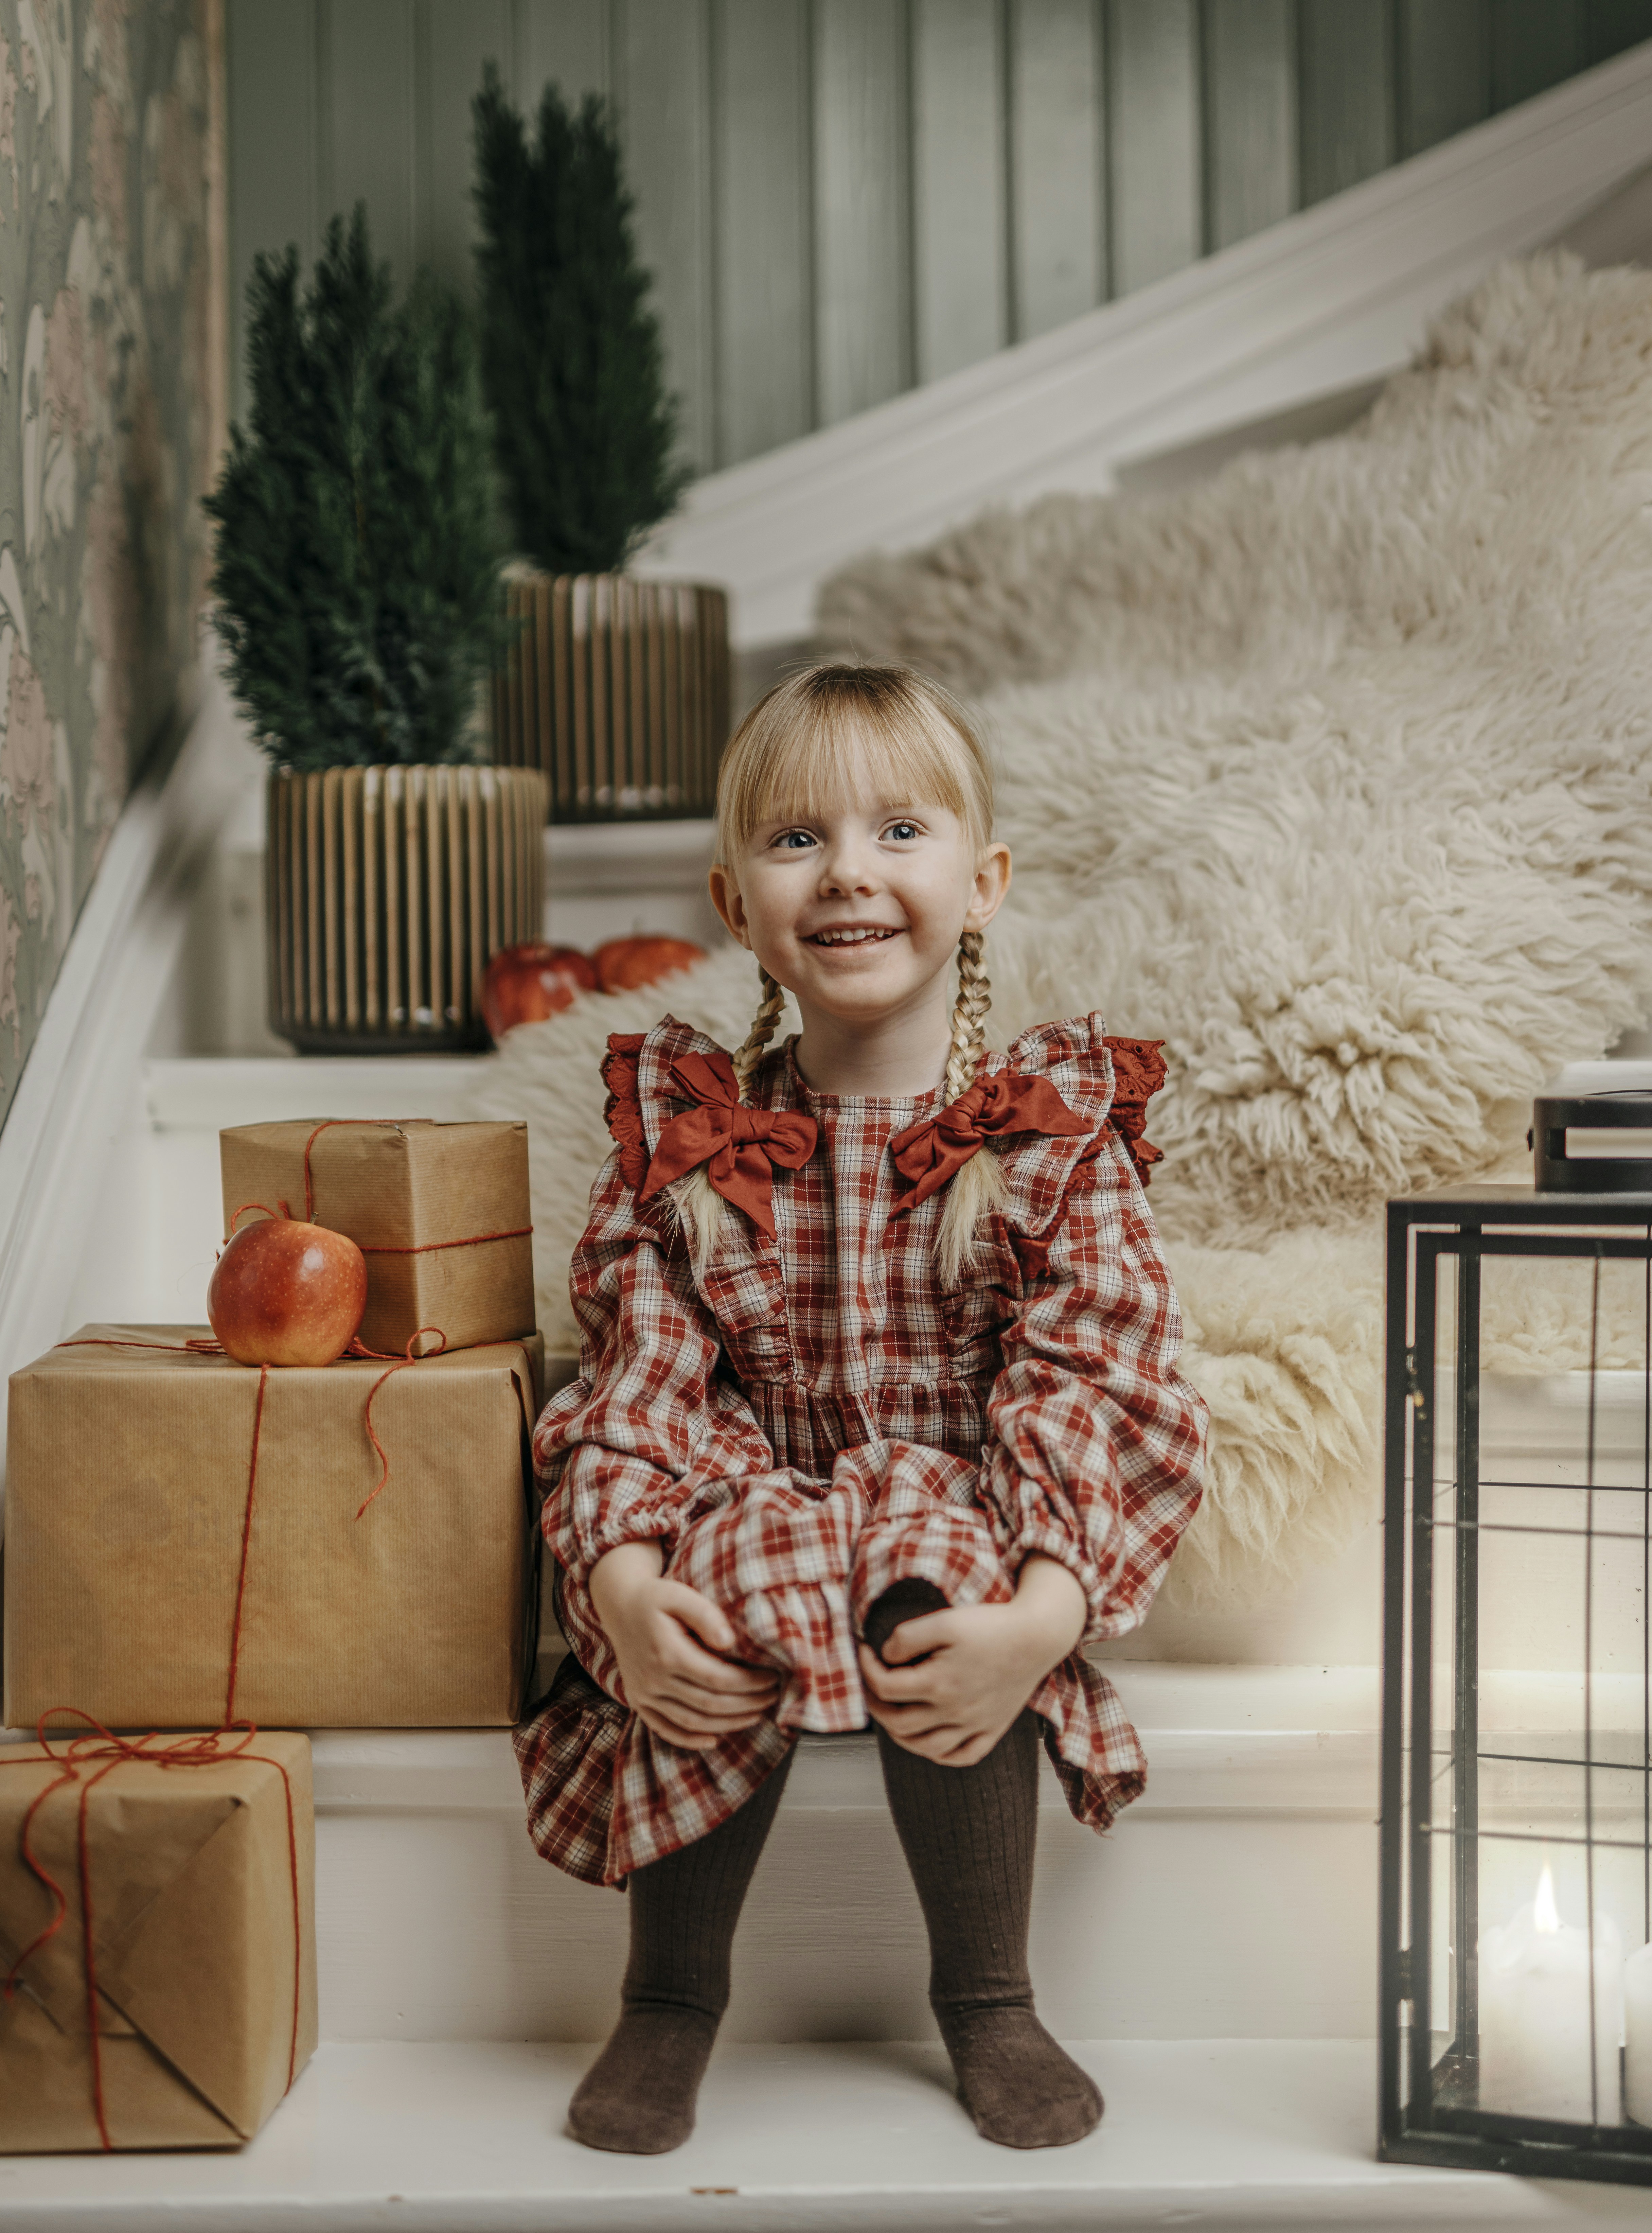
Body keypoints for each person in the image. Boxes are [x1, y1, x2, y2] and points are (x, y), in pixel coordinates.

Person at [515, 662, 1207, 2155]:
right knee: (713, 1559)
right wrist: (624, 1582)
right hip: (752, 1504)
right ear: (732, 896)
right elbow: (640, 1380)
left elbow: (1098, 1371)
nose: (848, 873)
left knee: (926, 1557)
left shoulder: (1043, 1138)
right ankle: (672, 1993)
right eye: (795, 839)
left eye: (901, 831)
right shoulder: (696, 1147)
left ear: (984, 882)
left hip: (954, 1535)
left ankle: (989, 1992)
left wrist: (1043, 1610)